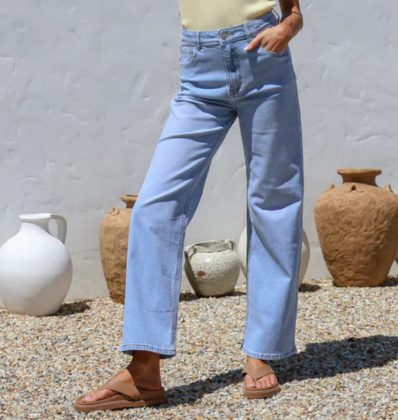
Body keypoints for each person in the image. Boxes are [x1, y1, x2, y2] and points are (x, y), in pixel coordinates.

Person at [74, 0, 304, 412]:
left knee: (273, 202)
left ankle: (261, 351)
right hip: (200, 67)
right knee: (154, 207)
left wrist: (289, 25)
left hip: (262, 58)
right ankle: (144, 369)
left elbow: (293, 11)